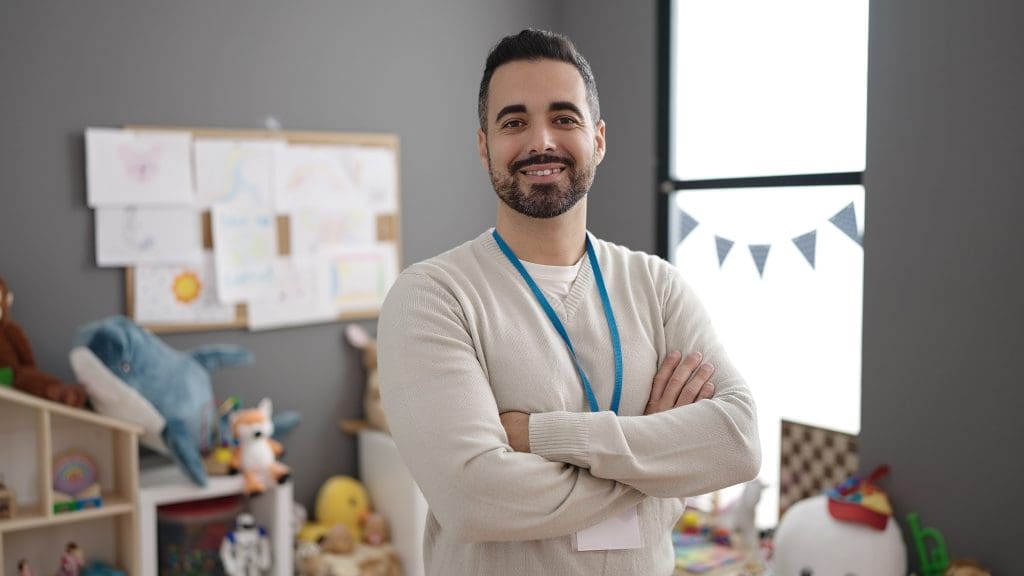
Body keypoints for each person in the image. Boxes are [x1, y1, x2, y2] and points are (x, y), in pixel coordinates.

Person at [378, 29, 760, 576]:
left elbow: (738, 442)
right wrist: (660, 465)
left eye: (563, 118)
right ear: (484, 146)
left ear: (598, 139)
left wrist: (540, 434)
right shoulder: (432, 297)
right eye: (514, 123)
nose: (541, 141)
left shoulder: (658, 286)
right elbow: (473, 498)